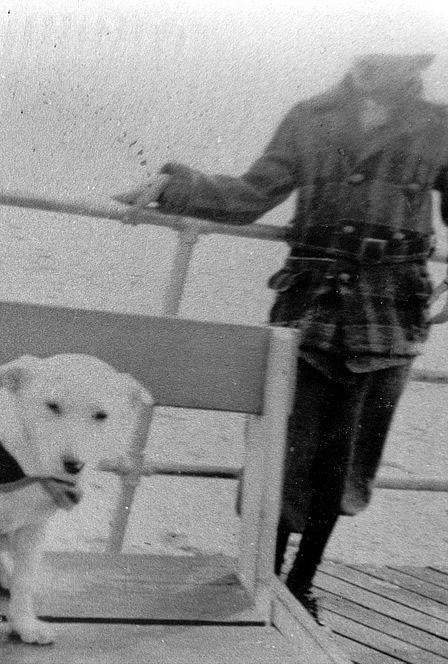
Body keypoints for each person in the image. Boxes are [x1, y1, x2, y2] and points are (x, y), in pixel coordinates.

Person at [117, 53, 448, 621]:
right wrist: (175, 186)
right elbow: (251, 194)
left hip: (391, 313)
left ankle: (301, 587)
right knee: (282, 456)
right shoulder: (310, 117)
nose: (376, 67)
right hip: (308, 309)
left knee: (345, 466)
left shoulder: (440, 124)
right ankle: (260, 581)